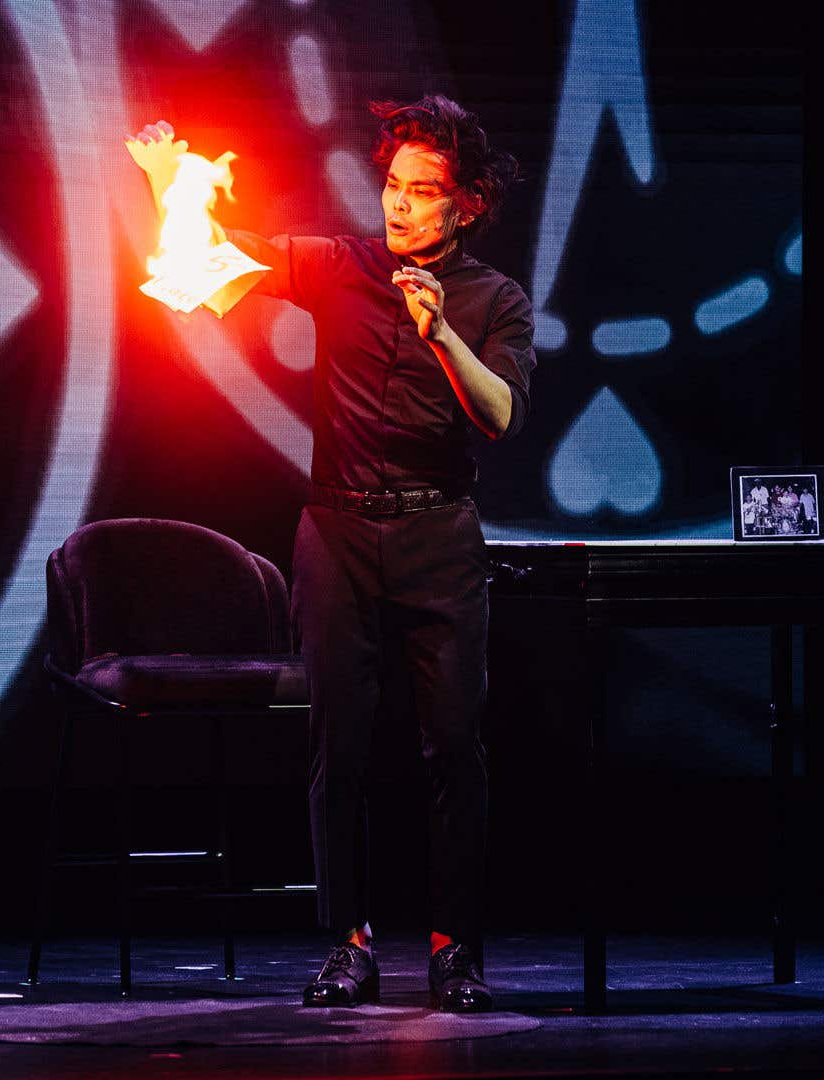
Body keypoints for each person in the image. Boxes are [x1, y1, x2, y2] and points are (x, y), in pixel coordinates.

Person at [129, 96, 534, 1012]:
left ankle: (453, 951)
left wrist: (440, 336)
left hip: (439, 535)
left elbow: (502, 415)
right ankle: (346, 945)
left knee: (455, 749)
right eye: (392, 185)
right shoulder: (337, 265)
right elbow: (204, 262)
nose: (398, 205)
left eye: (422, 192)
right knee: (336, 745)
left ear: (463, 204)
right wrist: (168, 189)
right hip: (338, 533)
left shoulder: (494, 300)